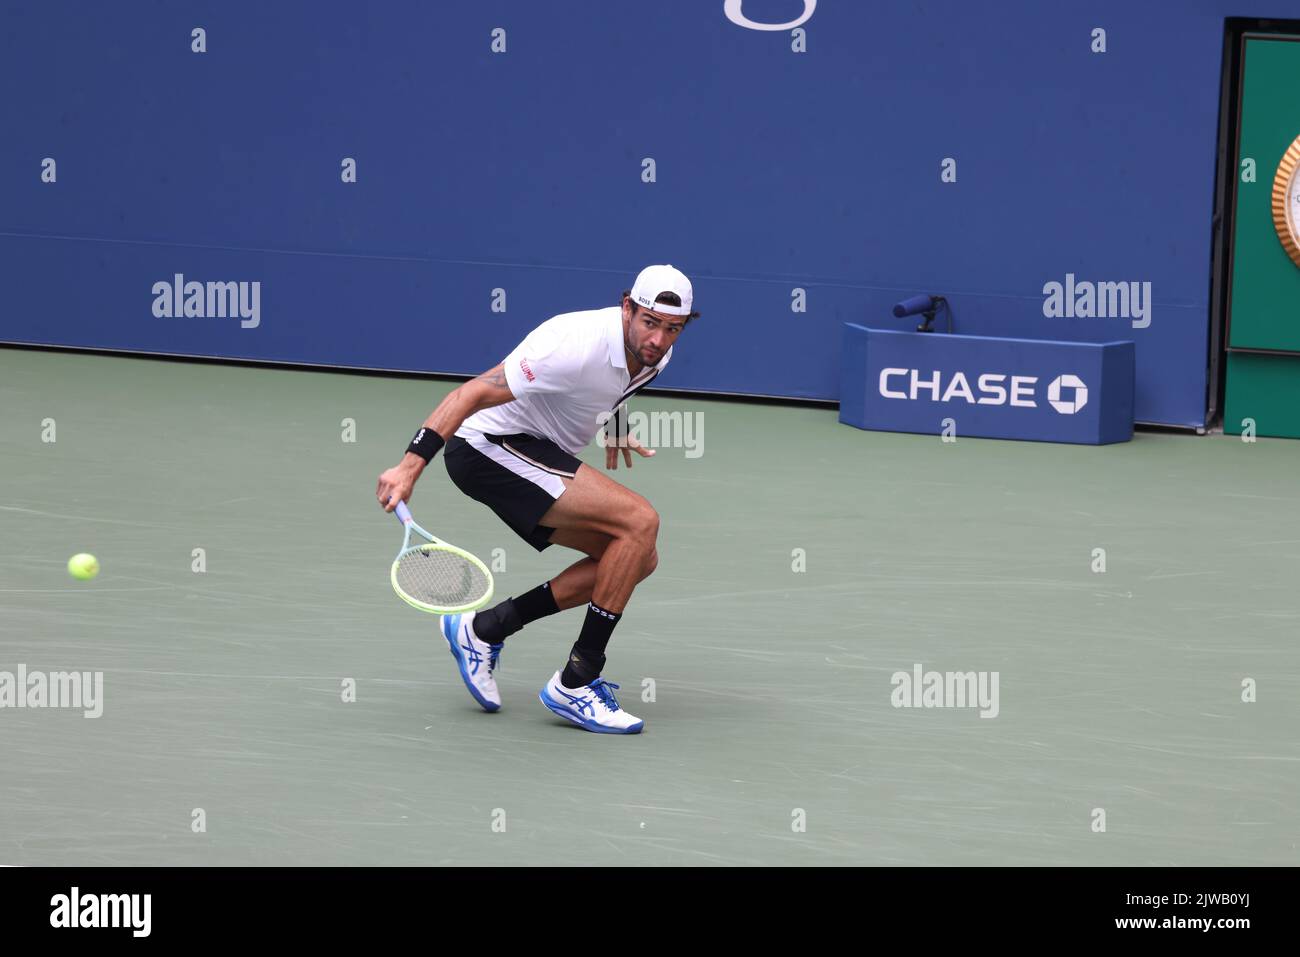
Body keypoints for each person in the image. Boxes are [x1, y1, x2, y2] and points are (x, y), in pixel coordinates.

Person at [376, 265, 698, 734]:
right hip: (489, 445)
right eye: (650, 322)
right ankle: (577, 682)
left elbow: (613, 386)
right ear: (626, 307)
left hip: (534, 450)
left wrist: (615, 425)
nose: (659, 339)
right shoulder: (570, 342)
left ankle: (484, 629)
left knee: (633, 559)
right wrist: (410, 465)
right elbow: (471, 393)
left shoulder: (653, 356)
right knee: (639, 521)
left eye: (673, 329)